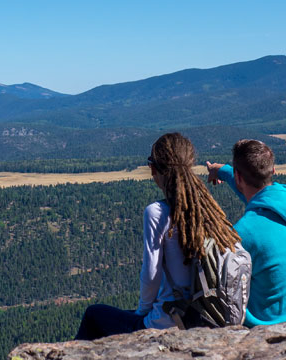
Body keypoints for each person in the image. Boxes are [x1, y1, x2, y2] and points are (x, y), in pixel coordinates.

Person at [74, 133, 243, 340]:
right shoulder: (207, 210)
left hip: (169, 321)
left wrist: (142, 313)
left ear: (156, 168)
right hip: (204, 317)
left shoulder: (157, 212)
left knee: (94, 314)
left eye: (151, 164)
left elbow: (151, 274)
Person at [206, 139, 286, 327]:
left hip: (260, 331)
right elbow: (259, 196)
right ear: (273, 170)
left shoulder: (243, 233)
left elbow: (227, 293)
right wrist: (222, 170)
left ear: (238, 177)